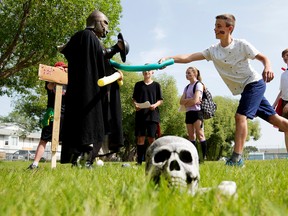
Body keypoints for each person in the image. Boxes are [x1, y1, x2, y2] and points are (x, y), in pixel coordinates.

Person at [159, 13, 288, 167]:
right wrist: (168, 59)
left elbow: (263, 58)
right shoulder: (213, 51)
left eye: (219, 26)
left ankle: (237, 158)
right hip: (246, 89)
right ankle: (237, 158)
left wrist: (268, 66)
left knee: (240, 117)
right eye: (215, 26)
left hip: (254, 83)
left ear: (229, 28)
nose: (215, 29)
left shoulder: (241, 44)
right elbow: (189, 57)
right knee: (277, 120)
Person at [59, 10, 125, 168]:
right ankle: (85, 159)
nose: (106, 29)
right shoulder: (87, 36)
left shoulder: (79, 38)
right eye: (105, 24)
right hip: (88, 91)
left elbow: (97, 59)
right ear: (98, 22)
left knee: (81, 122)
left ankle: (80, 159)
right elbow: (100, 56)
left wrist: (115, 73)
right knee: (90, 122)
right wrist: (117, 48)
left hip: (79, 90)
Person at [27, 62, 68, 169]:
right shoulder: (49, 80)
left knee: (67, 139)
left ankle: (73, 161)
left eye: (64, 69)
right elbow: (49, 87)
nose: (62, 70)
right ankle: (35, 164)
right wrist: (56, 77)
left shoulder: (68, 81)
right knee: (44, 139)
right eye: (61, 68)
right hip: (52, 113)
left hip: (65, 114)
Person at [132, 67, 163, 165]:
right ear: (142, 72)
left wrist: (155, 105)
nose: (146, 72)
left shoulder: (156, 85)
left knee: (151, 138)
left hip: (152, 115)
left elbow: (161, 100)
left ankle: (154, 161)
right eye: (145, 70)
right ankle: (139, 162)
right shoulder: (138, 85)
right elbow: (134, 99)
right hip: (140, 115)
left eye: (148, 70)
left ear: (152, 72)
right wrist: (136, 105)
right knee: (140, 138)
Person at [180, 66, 207, 162]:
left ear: (195, 74)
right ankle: (193, 158)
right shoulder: (187, 87)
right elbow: (181, 101)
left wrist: (188, 101)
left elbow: (195, 101)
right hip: (188, 113)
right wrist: (190, 100)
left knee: (200, 135)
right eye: (186, 73)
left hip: (197, 112)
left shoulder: (199, 85)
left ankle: (203, 158)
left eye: (189, 73)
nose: (187, 75)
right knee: (191, 135)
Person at [272, 48, 288, 152]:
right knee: (286, 129)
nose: (285, 57)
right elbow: (281, 92)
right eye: (283, 56)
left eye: (287, 55)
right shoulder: (283, 74)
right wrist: (273, 105)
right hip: (284, 103)